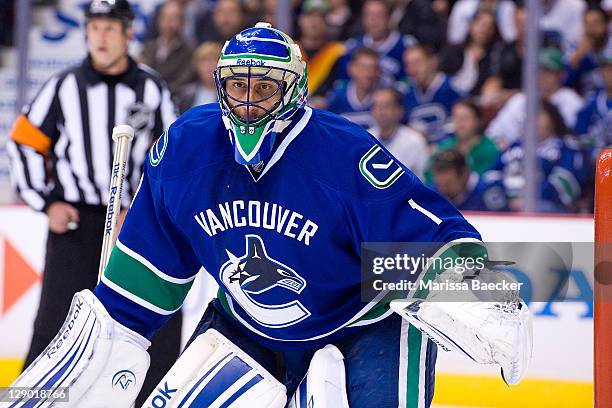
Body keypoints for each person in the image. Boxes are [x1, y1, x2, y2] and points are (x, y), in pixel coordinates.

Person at [10, 23, 532, 408]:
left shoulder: (343, 155)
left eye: (265, 88)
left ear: (296, 89)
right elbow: (143, 284)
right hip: (248, 322)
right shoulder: (187, 149)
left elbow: (434, 235)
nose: (249, 102)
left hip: (366, 323)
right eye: (238, 86)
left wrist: (462, 281)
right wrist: (107, 344)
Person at [6, 1, 181, 405]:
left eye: (109, 27)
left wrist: (142, 211)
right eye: (94, 27)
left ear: (128, 33)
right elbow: (24, 142)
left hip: (133, 224)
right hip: (75, 224)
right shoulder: (63, 85)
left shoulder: (151, 87)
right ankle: (37, 400)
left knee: (152, 316)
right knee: (57, 319)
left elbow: (173, 155)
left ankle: (155, 398)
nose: (100, 36)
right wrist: (46, 202)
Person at [491, 101, 588, 212]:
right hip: (508, 204)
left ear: (552, 118)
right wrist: (505, 199)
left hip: (548, 207)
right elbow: (491, 175)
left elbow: (566, 181)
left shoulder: (567, 147)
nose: (533, 121)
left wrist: (529, 200)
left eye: (538, 115)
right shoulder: (514, 146)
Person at [486, 47, 583, 148]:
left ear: (561, 75)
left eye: (548, 71)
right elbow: (493, 135)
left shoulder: (572, 101)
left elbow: (574, 139)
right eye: (538, 70)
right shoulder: (520, 100)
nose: (541, 75)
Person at [402, 44, 465, 144]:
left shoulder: (453, 89)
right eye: (408, 65)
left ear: (433, 62)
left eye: (417, 63)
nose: (412, 70)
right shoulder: (406, 94)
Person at [368, 87, 429, 179]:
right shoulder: (366, 138)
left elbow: (424, 178)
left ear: (399, 111)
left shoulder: (415, 141)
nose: (380, 111)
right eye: (376, 106)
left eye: (386, 106)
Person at [139, 0, 195, 96]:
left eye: (173, 19)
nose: (168, 23)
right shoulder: (148, 48)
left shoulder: (190, 52)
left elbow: (183, 81)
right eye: (164, 18)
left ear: (183, 22)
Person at [431, 149, 509, 212]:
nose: (442, 188)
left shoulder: (488, 190)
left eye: (448, 183)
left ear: (464, 173)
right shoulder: (434, 192)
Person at [326, 47, 380, 128]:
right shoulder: (338, 97)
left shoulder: (384, 98)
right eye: (363, 67)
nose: (369, 73)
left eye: (373, 68)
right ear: (351, 68)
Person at [175, 41, 223, 113]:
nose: (209, 65)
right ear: (196, 65)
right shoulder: (185, 94)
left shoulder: (228, 95)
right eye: (204, 60)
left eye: (213, 60)